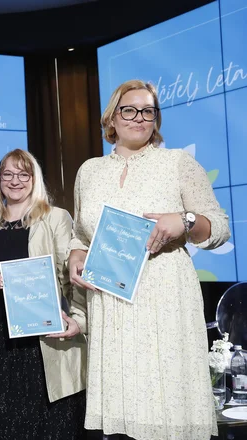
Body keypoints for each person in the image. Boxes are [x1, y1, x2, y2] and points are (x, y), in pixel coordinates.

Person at [68, 79, 231, 440]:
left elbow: (218, 227)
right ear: (112, 118)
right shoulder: (89, 171)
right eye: (130, 109)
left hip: (164, 298)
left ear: (156, 119)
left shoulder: (178, 163)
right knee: (122, 417)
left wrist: (184, 221)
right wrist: (76, 254)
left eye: (148, 111)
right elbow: (81, 233)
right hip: (110, 300)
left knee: (164, 406)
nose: (139, 118)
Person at [0, 149, 87, 439]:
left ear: (34, 179)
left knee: (49, 426)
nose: (15, 180)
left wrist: (80, 320)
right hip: (0, 344)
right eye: (7, 174)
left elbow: (71, 277)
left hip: (44, 341)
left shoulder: (56, 218)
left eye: (23, 174)